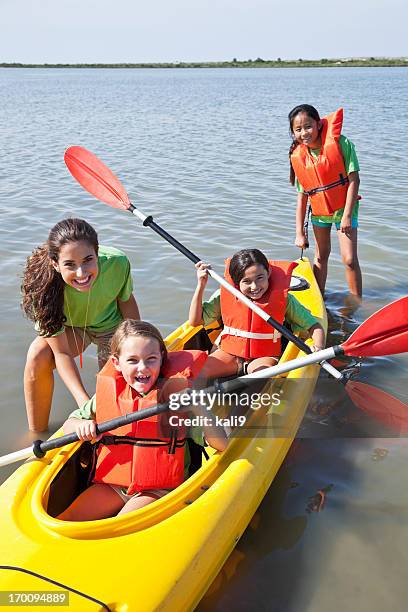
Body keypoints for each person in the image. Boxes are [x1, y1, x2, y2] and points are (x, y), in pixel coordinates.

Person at [58, 320, 228, 521]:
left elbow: (221, 444)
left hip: (159, 487)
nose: (142, 368)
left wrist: (199, 407)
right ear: (116, 363)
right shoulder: (107, 396)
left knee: (120, 524)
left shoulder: (178, 396)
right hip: (114, 483)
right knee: (67, 519)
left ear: (161, 359)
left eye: (151, 359)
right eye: (132, 360)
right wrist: (81, 426)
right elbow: (68, 425)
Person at [21, 218, 140, 432]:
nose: (81, 273)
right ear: (55, 264)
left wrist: (137, 346)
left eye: (88, 260)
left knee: (112, 389)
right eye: (70, 264)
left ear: (97, 254)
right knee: (38, 354)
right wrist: (85, 406)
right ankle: (37, 434)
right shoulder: (42, 289)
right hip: (73, 329)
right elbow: (62, 354)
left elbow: (126, 301)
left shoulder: (117, 262)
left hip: (112, 327)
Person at [188, 248, 325, 379]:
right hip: (228, 353)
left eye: (260, 278)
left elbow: (315, 326)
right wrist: (201, 285)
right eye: (246, 281)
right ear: (237, 282)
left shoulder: (284, 299)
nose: (255, 287)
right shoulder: (224, 295)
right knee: (198, 373)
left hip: (263, 357)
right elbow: (195, 321)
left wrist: (318, 347)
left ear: (269, 273)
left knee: (260, 378)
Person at [288, 104, 362, 298]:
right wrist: (299, 233)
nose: (304, 132)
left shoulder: (341, 143)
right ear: (293, 132)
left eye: (308, 126)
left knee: (349, 260)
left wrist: (346, 216)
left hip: (344, 210)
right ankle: (319, 299)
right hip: (320, 213)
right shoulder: (298, 157)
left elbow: (354, 180)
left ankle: (356, 302)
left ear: (319, 124)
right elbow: (302, 198)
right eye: (298, 129)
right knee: (320, 257)